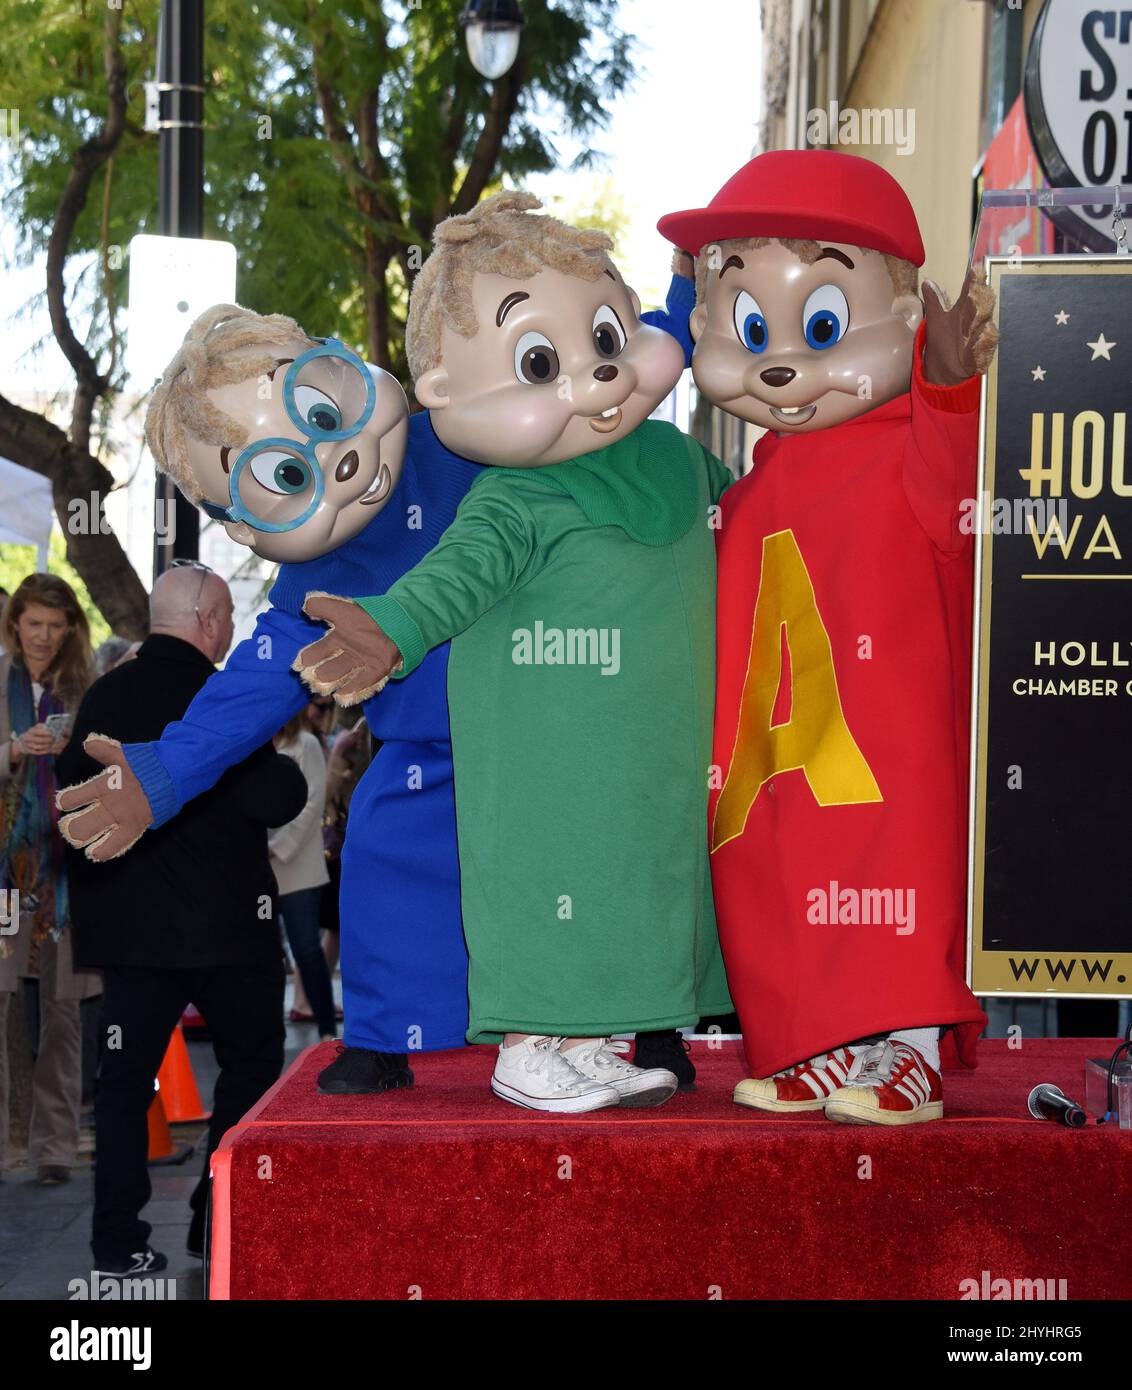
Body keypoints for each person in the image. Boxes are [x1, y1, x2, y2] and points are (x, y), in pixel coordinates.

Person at [57, 273, 702, 1096]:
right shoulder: (310, 589)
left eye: (325, 417)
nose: (342, 462)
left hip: (566, 733)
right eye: (287, 475)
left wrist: (682, 302)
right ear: (241, 524)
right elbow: (248, 695)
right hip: (432, 755)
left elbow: (585, 357)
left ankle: (645, 1021)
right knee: (385, 855)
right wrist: (162, 774)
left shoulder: (479, 429)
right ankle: (380, 1033)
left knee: (614, 861)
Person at [295, 192, 734, 1113]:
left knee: (646, 879)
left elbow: (763, 528)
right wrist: (391, 627)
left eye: (608, 341)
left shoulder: (683, 464)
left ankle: (604, 1036)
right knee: (555, 878)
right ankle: (533, 1044)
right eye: (541, 362)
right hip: (553, 756)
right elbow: (453, 577)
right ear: (450, 395)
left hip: (661, 751)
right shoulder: (512, 498)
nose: (599, 378)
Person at [658, 150, 995, 1124]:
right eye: (752, 326)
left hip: (885, 742)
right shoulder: (748, 486)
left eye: (817, 326)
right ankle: (817, 1041)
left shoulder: (906, 448)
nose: (779, 361)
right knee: (776, 879)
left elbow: (953, 495)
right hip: (771, 749)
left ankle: (907, 1049)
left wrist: (945, 393)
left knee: (892, 874)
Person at [56, 563, 307, 1275]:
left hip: (133, 938)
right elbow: (276, 798)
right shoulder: (218, 696)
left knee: (123, 1088)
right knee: (251, 1068)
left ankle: (116, 1244)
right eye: (228, 617)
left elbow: (73, 811)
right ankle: (216, 1220)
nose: (231, 631)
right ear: (207, 621)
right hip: (229, 932)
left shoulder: (105, 695)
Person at [0, 574, 99, 1184]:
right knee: (6, 1008)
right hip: (6, 878)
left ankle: (56, 1147)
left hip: (67, 877)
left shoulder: (84, 688)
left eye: (55, 626)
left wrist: (69, 751)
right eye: (33, 623)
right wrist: (13, 750)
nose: (43, 636)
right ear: (15, 624)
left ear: (70, 630)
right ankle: (11, 1140)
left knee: (64, 1014)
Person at [270, 713, 336, 1038]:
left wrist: (276, 847)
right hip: (260, 868)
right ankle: (268, 1032)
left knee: (307, 950)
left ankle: (326, 1031)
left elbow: (314, 804)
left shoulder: (307, 744)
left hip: (298, 868)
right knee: (265, 956)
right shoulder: (253, 744)